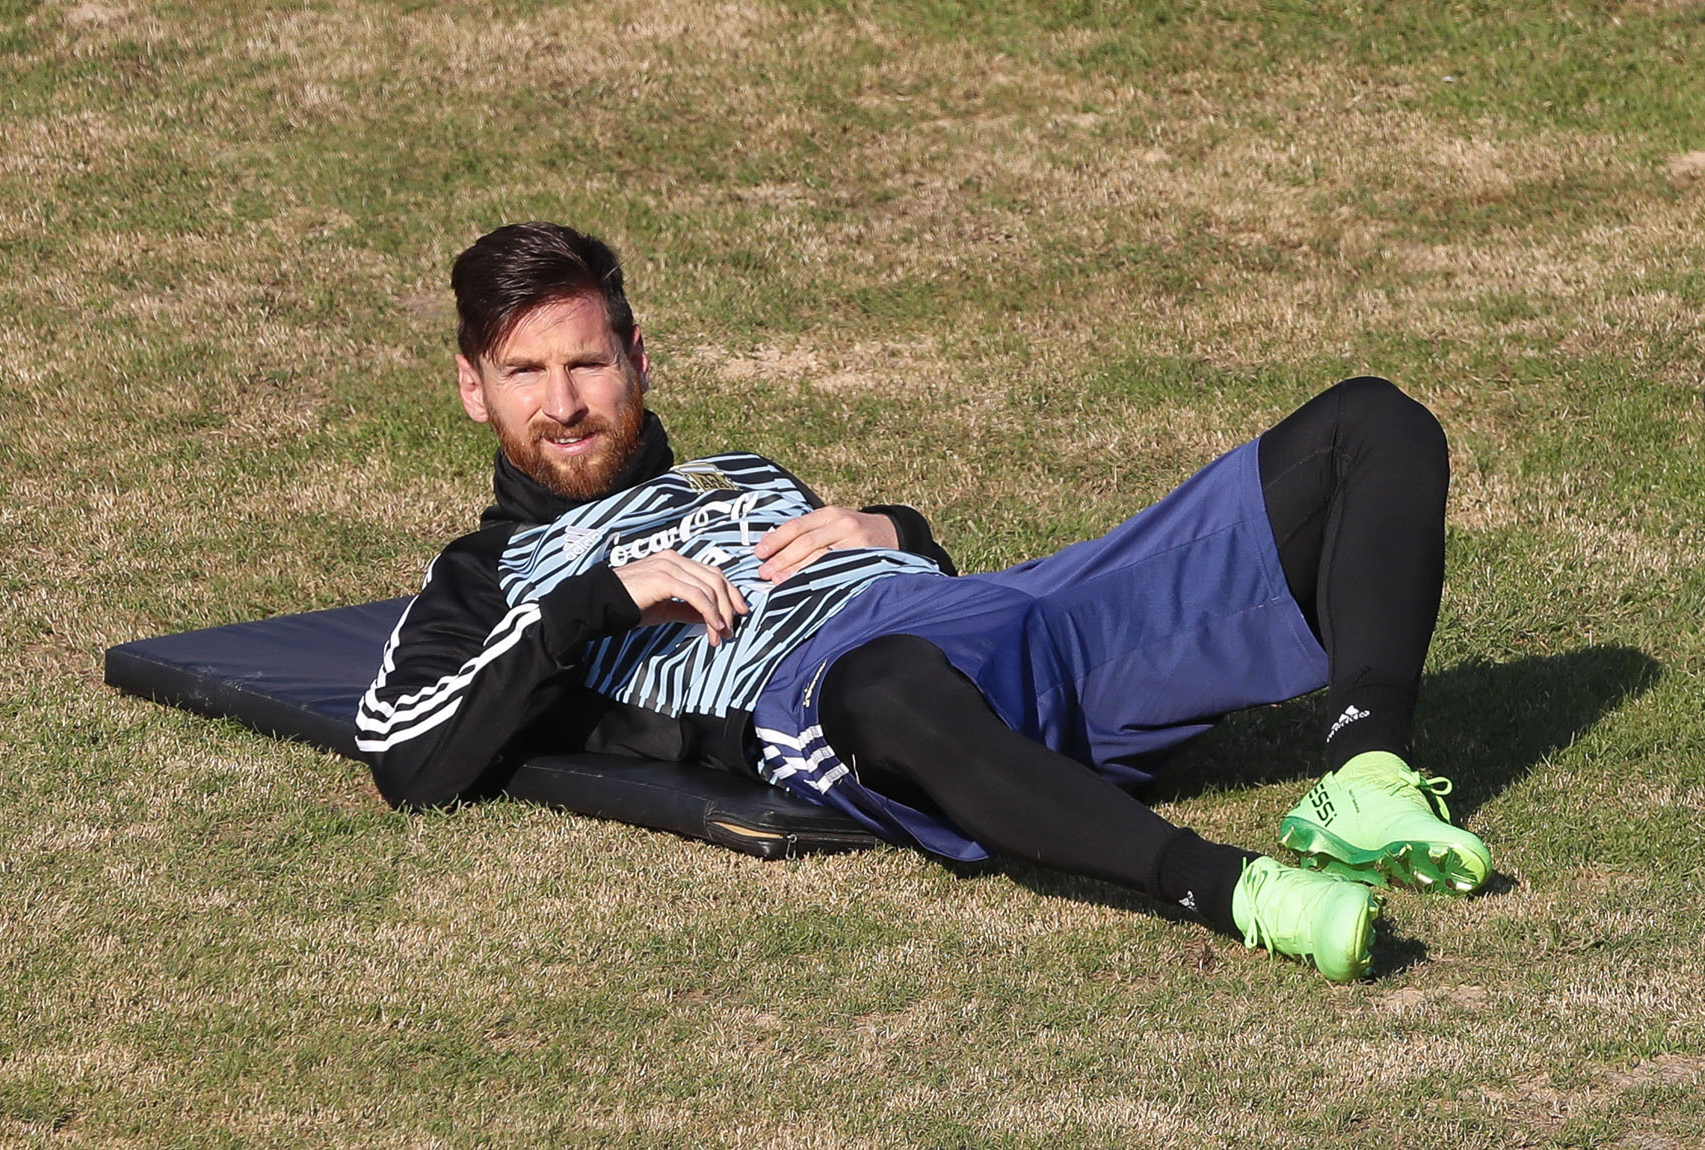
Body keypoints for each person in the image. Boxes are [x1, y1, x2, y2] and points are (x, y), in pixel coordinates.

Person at [356, 222, 1493, 982]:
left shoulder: (741, 470)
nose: (563, 403)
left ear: (639, 358)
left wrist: (893, 526)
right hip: (823, 693)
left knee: (1368, 423)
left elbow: (914, 577)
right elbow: (408, 757)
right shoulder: (487, 570)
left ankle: (1368, 779)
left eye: (588, 363)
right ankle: (1235, 887)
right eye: (525, 374)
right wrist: (596, 601)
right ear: (473, 387)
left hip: (1013, 618)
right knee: (886, 682)